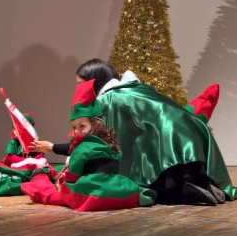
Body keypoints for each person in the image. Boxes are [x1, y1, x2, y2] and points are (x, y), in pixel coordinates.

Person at [73, 58, 237, 205]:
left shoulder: (107, 99)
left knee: (156, 189)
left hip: (169, 146)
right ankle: (204, 184)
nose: (78, 90)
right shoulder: (136, 89)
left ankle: (186, 192)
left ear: (94, 81)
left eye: (81, 84)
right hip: (190, 137)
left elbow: (114, 140)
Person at [24, 80, 154, 211]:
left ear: (96, 124)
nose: (77, 131)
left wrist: (64, 183)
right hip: (114, 188)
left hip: (91, 191)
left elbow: (73, 174)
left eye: (82, 126)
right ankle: (140, 196)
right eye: (74, 127)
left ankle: (40, 179)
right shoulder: (110, 144)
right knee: (128, 190)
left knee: (57, 195)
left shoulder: (82, 147)